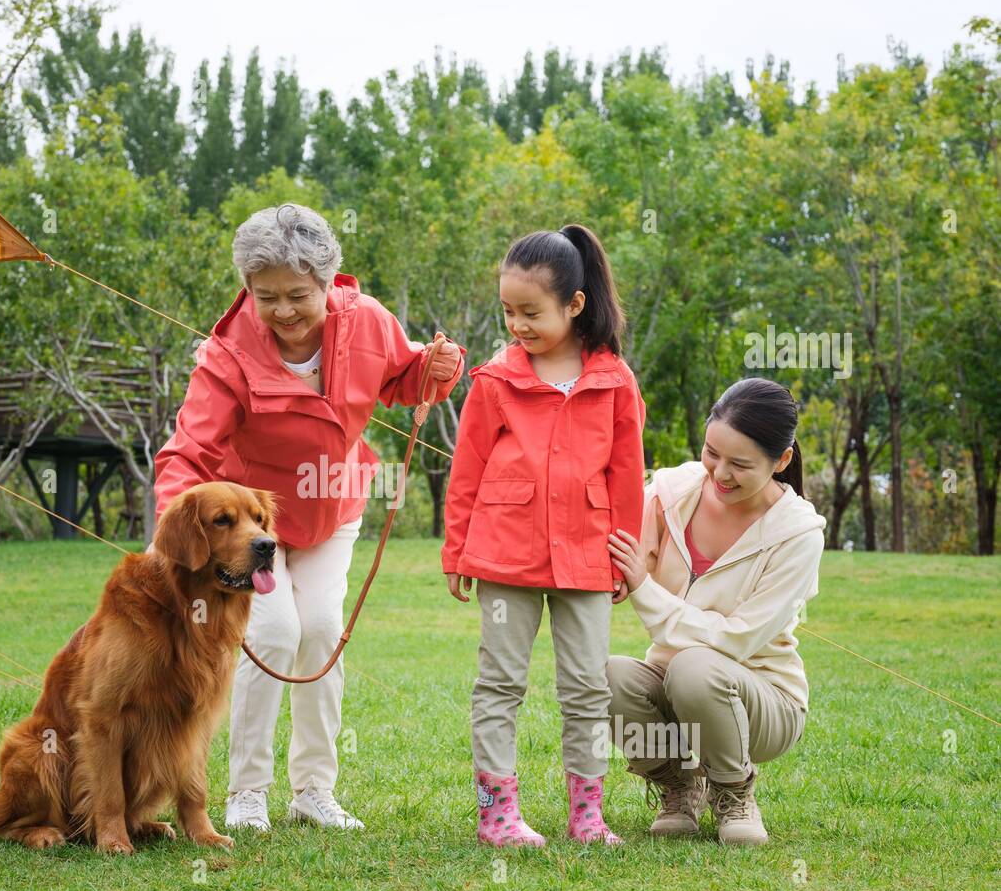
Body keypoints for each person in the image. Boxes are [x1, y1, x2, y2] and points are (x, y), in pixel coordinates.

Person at [154, 203, 464, 832]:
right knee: (271, 636)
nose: (285, 311)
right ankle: (246, 793)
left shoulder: (368, 321)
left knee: (320, 629)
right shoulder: (225, 355)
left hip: (332, 507)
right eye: (266, 297)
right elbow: (189, 451)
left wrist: (438, 369)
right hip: (250, 525)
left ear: (330, 284)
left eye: (299, 295)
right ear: (248, 290)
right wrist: (174, 534)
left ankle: (314, 791)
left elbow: (403, 379)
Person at [443, 224, 645, 846]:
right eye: (508, 311)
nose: (517, 325)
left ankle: (588, 815)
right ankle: (496, 815)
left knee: (587, 687)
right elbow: (467, 467)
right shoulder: (495, 380)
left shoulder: (614, 381)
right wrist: (457, 550)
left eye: (530, 312)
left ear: (575, 304)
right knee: (500, 683)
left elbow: (627, 474)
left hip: (586, 556)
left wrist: (624, 554)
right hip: (506, 555)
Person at [605, 377, 826, 846]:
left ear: (781, 460)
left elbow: (735, 640)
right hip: (673, 680)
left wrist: (644, 590)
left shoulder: (798, 533)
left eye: (739, 464)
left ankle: (733, 791)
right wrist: (614, 577)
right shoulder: (671, 491)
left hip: (763, 702)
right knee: (607, 675)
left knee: (695, 665)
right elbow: (622, 545)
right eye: (712, 453)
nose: (719, 473)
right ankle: (679, 786)